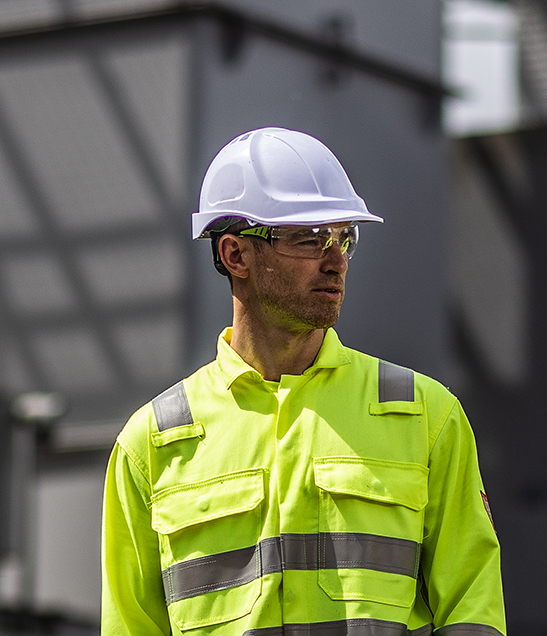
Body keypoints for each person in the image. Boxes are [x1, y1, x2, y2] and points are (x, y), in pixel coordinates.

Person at [101, 127, 506, 635]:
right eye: (310, 239)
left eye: (344, 239)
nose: (335, 261)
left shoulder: (426, 416)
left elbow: (475, 614)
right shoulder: (152, 443)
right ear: (235, 255)